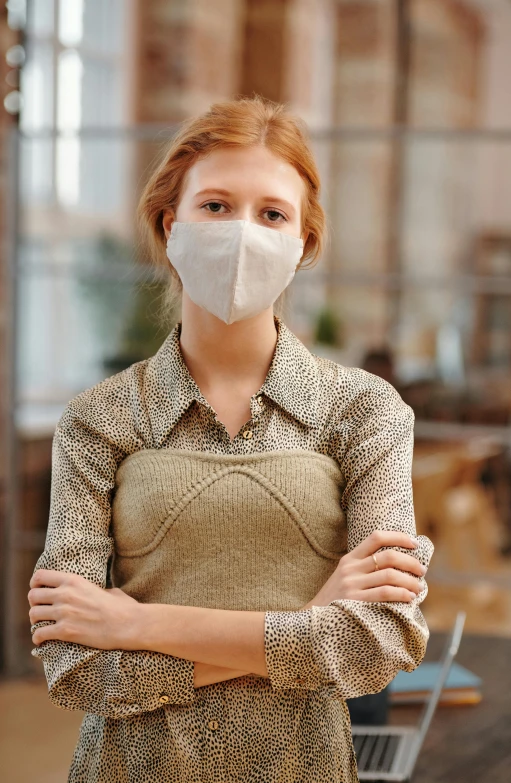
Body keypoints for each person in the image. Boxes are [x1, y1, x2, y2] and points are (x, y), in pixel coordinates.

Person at [27, 96, 434, 783]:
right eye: (215, 205)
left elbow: (376, 642)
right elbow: (73, 665)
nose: (243, 233)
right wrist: (310, 620)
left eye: (271, 213)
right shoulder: (97, 419)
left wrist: (133, 624)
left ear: (303, 241)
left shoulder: (366, 413)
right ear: (171, 222)